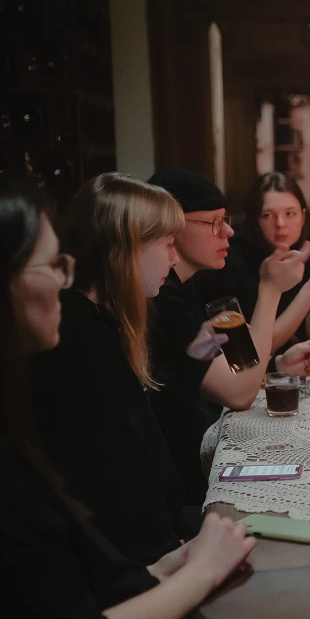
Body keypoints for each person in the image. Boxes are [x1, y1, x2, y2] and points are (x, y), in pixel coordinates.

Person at [0, 187, 255, 619]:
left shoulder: (97, 331)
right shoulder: (74, 345)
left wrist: (169, 566)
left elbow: (78, 565)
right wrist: (197, 570)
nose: (65, 279)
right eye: (53, 264)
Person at [32, 174, 214, 564]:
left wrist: (191, 360)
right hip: (142, 557)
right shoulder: (81, 337)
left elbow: (148, 431)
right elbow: (112, 485)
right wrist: (175, 557)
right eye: (166, 244)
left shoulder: (106, 322)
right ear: (126, 247)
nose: (174, 257)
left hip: (161, 531)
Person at [146, 169, 310, 504]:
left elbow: (238, 364)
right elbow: (239, 393)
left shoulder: (192, 282)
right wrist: (271, 288)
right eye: (213, 222)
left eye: (225, 219)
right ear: (171, 225)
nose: (228, 230)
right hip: (178, 485)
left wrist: (277, 367)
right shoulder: (162, 297)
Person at [196, 172, 310, 351]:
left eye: (290, 213)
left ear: (303, 217)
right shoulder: (230, 258)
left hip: (288, 369)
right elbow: (252, 349)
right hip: (240, 370)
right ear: (256, 220)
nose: (280, 223)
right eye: (267, 215)